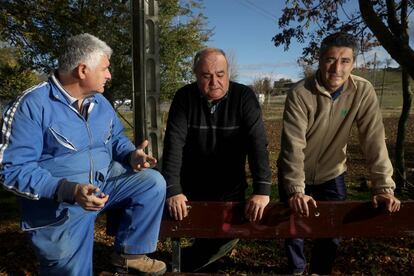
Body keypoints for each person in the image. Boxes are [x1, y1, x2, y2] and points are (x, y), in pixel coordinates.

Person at [0, 33, 167, 276]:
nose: (109, 75)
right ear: (82, 70)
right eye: (105, 69)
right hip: (59, 205)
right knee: (72, 271)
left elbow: (115, 138)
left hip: (103, 184)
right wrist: (69, 191)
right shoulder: (31, 105)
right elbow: (11, 170)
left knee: (151, 182)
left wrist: (132, 156)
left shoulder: (100, 102)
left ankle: (130, 255)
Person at [277, 32, 401, 275]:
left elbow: (374, 139)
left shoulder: (362, 91)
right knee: (295, 231)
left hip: (333, 172)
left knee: (332, 231)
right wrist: (295, 190)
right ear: (320, 60)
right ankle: (297, 270)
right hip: (294, 172)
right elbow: (293, 145)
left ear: (354, 64)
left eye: (345, 61)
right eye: (330, 59)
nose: (337, 68)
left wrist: (384, 187)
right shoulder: (300, 93)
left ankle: (320, 271)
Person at [162, 48, 272, 271]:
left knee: (225, 237)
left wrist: (262, 189)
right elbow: (174, 144)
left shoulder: (244, 97)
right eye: (206, 76)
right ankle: (180, 265)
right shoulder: (184, 97)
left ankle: (179, 264)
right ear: (195, 75)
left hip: (229, 185)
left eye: (220, 74)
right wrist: (173, 189)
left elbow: (257, 143)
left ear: (228, 73)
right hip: (192, 182)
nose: (215, 82)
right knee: (196, 231)